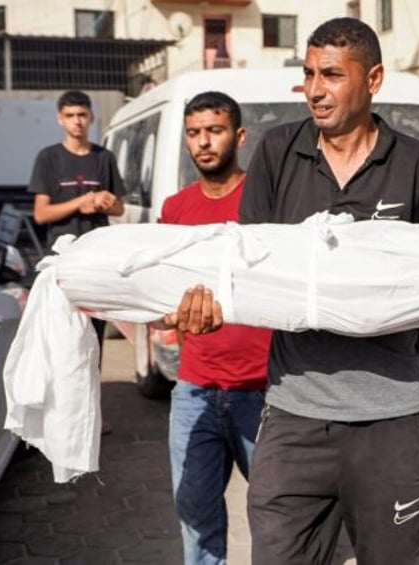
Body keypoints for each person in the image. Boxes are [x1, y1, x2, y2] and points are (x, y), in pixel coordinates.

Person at [166, 17, 419, 565]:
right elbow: (249, 264)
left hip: (391, 421)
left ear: (373, 78)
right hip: (292, 418)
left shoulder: (418, 165)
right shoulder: (278, 152)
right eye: (308, 73)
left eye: (331, 74)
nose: (314, 89)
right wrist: (213, 304)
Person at [160, 91, 271, 565]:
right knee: (196, 515)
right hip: (195, 390)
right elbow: (161, 290)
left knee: (278, 517)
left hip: (264, 389)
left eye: (215, 130)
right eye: (194, 133)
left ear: (238, 136)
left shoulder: (266, 201)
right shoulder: (175, 208)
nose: (204, 142)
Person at [28, 89, 124, 435]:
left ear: (91, 117)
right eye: (70, 116)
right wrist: (79, 203)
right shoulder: (48, 159)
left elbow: (120, 208)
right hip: (61, 264)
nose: (77, 122)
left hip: (95, 262)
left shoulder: (104, 158)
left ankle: (91, 416)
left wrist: (105, 202)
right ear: (60, 119)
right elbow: (41, 213)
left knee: (92, 343)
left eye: (82, 115)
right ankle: (58, 417)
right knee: (61, 341)